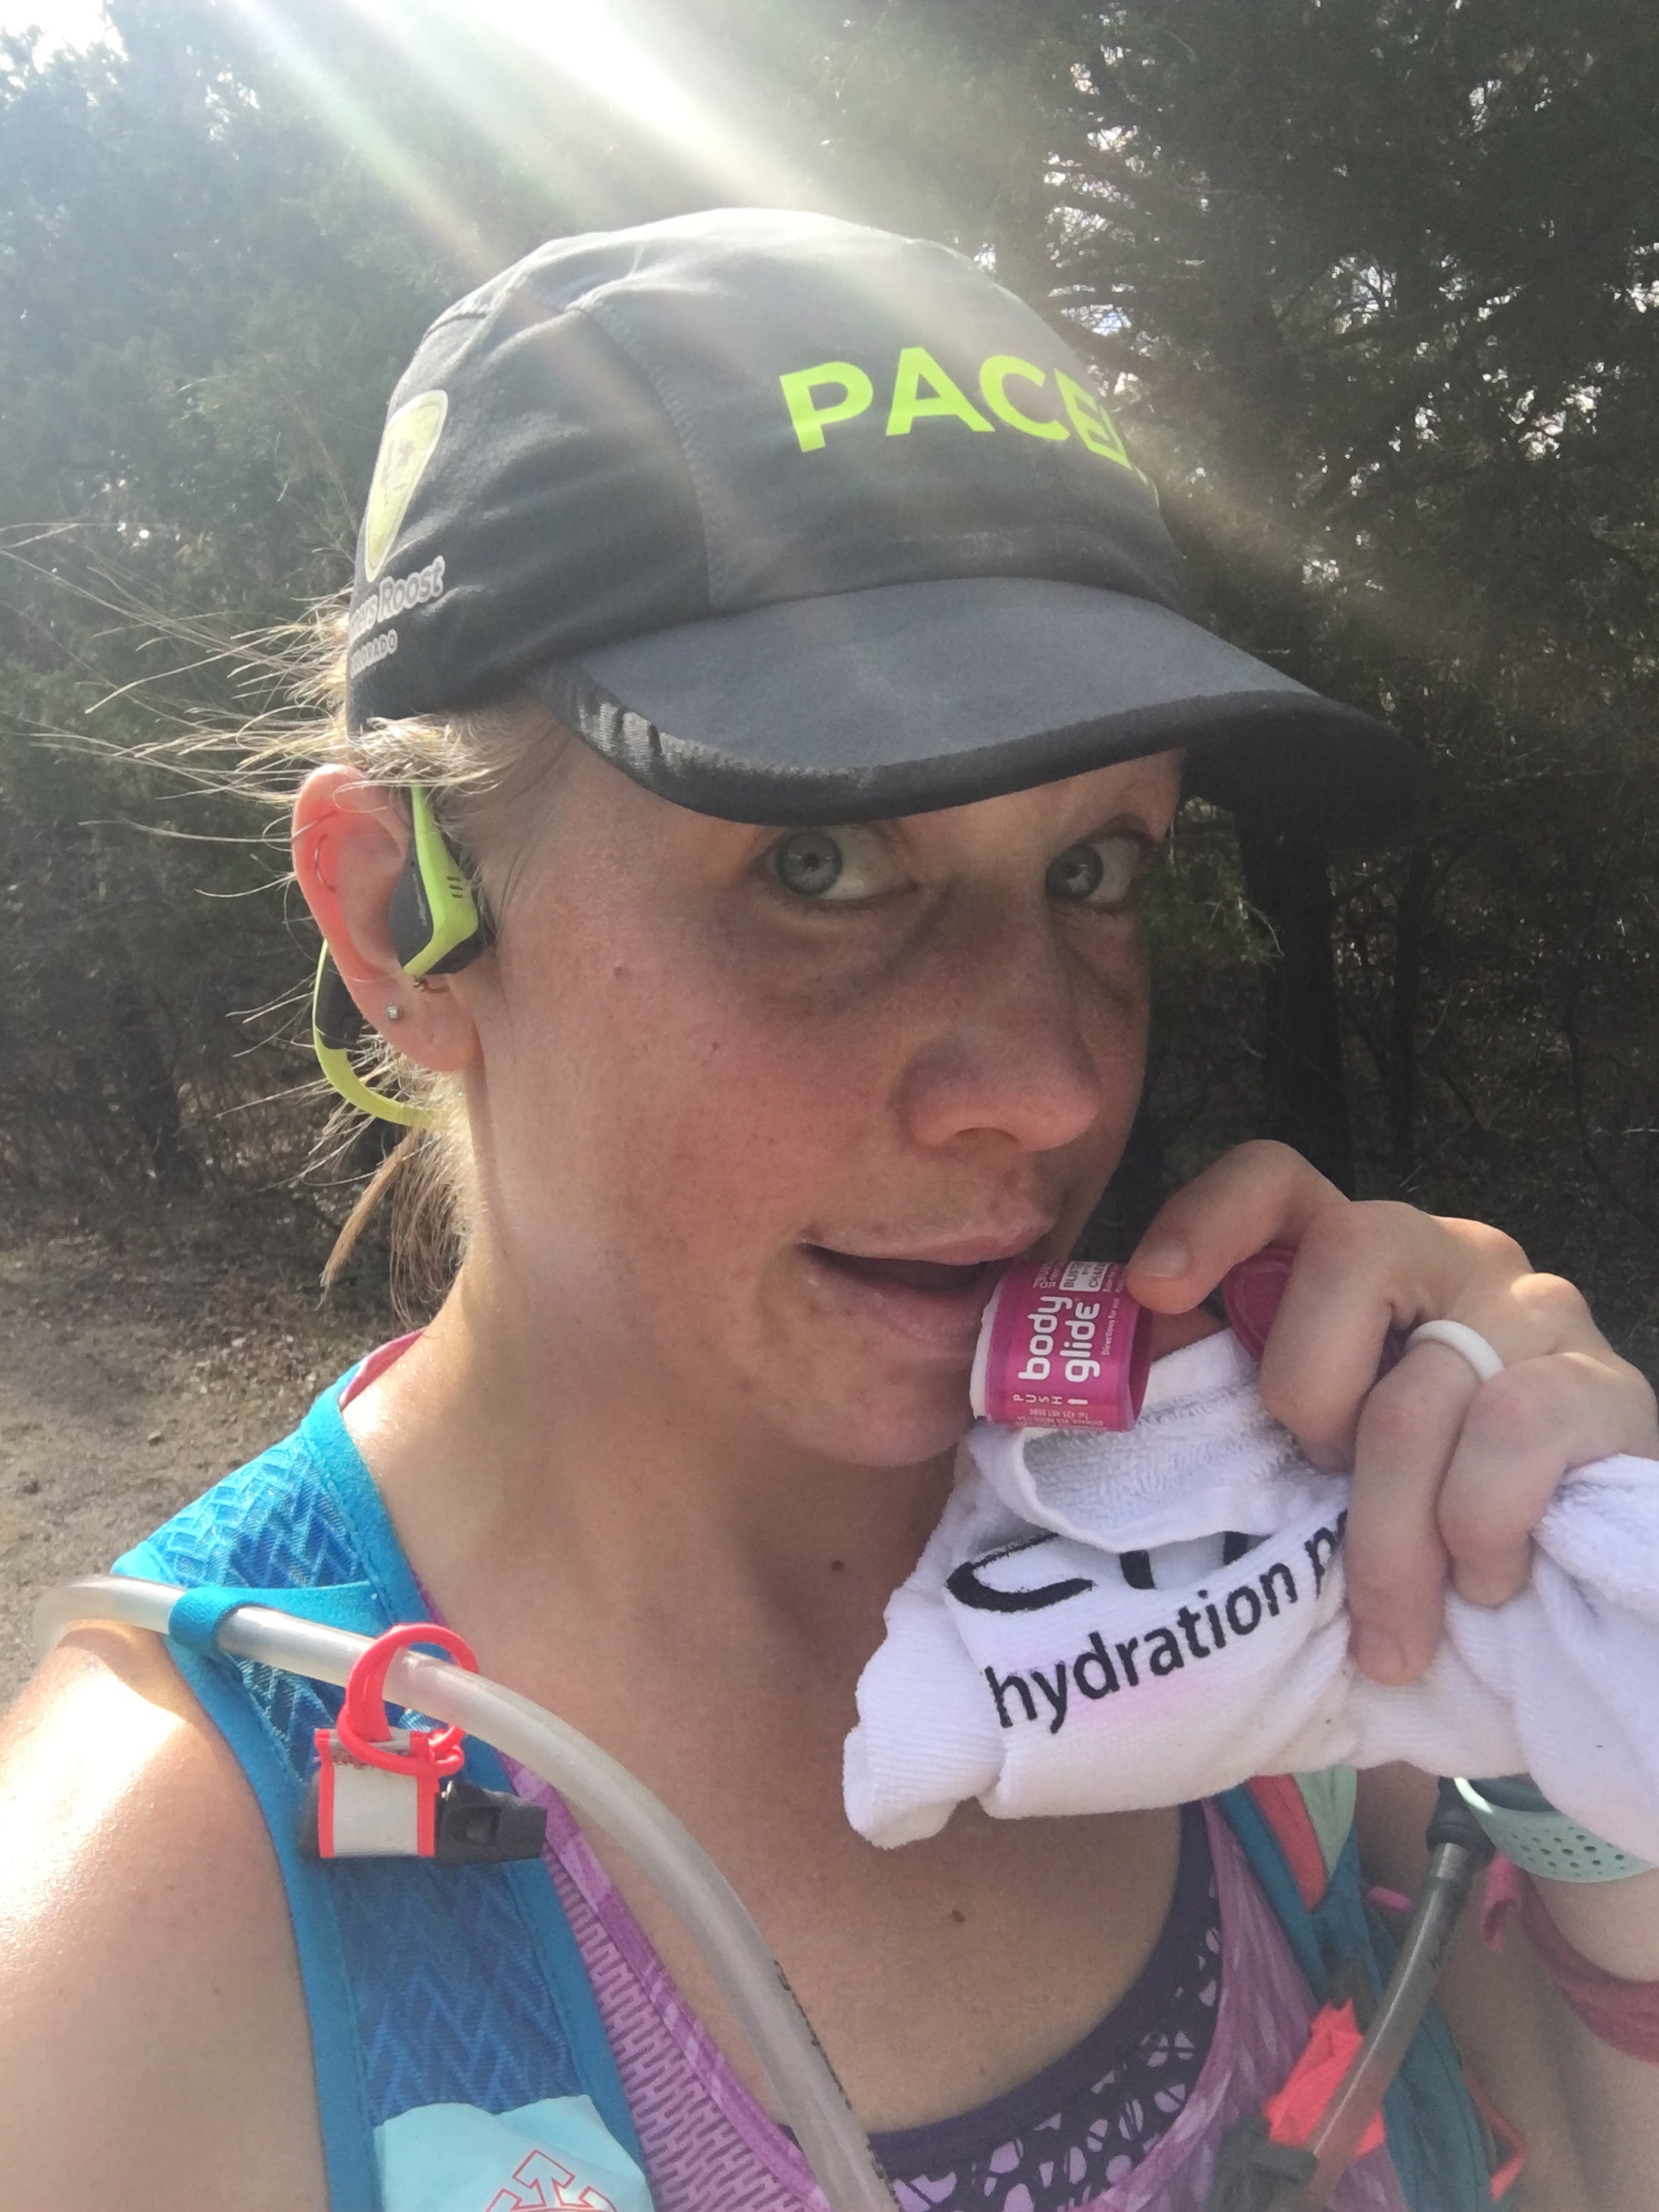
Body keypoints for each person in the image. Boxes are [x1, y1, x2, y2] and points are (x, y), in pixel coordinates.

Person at [2, 207, 1656, 2212]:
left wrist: (1579, 1646)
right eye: (817, 865)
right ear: (394, 922)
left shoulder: (1264, 1566)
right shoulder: (141, 1954)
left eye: (1098, 869)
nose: (1055, 1085)